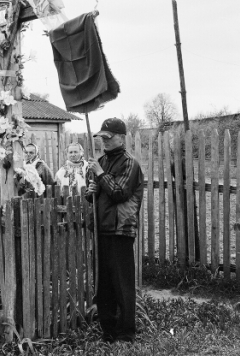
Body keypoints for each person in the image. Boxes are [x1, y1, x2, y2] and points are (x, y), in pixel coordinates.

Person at [85, 117, 144, 343]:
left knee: (122, 284)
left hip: (120, 229)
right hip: (102, 229)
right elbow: (97, 196)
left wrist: (100, 175)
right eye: (101, 138)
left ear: (121, 137)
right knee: (104, 285)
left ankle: (126, 333)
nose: (104, 142)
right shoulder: (101, 161)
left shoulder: (130, 164)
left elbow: (120, 193)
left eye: (108, 138)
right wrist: (92, 190)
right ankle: (108, 330)